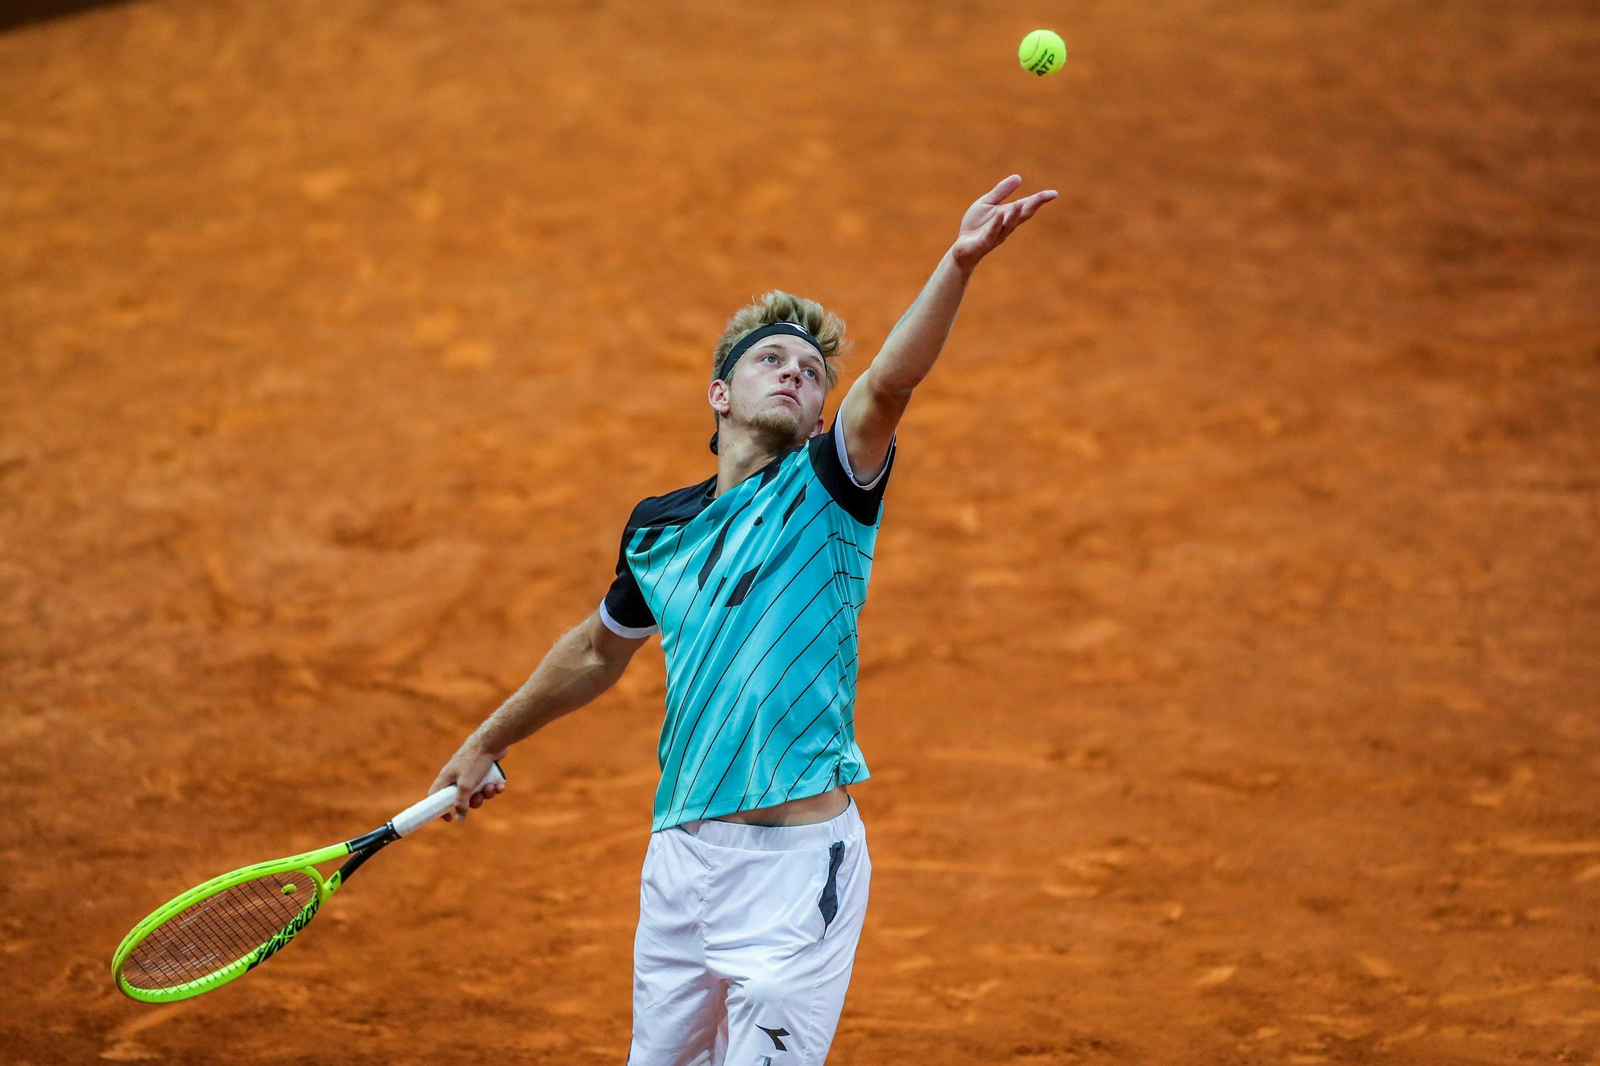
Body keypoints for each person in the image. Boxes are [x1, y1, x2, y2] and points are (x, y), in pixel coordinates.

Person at [431, 174, 1056, 1064]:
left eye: (811, 374)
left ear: (814, 419)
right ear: (719, 396)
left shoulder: (827, 492)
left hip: (797, 878)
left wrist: (958, 264)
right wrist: (486, 739)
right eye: (772, 361)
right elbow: (594, 653)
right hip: (681, 867)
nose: (796, 374)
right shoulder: (659, 530)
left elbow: (889, 384)